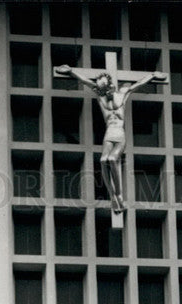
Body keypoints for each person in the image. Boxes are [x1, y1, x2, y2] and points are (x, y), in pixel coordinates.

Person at [55, 65, 167, 213]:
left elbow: (138, 84)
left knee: (113, 159)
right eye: (100, 86)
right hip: (109, 133)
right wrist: (70, 71)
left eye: (103, 85)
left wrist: (152, 75)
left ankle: (119, 194)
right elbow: (86, 81)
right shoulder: (101, 96)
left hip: (119, 133)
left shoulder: (123, 94)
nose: (101, 89)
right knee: (103, 160)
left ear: (110, 84)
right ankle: (112, 195)